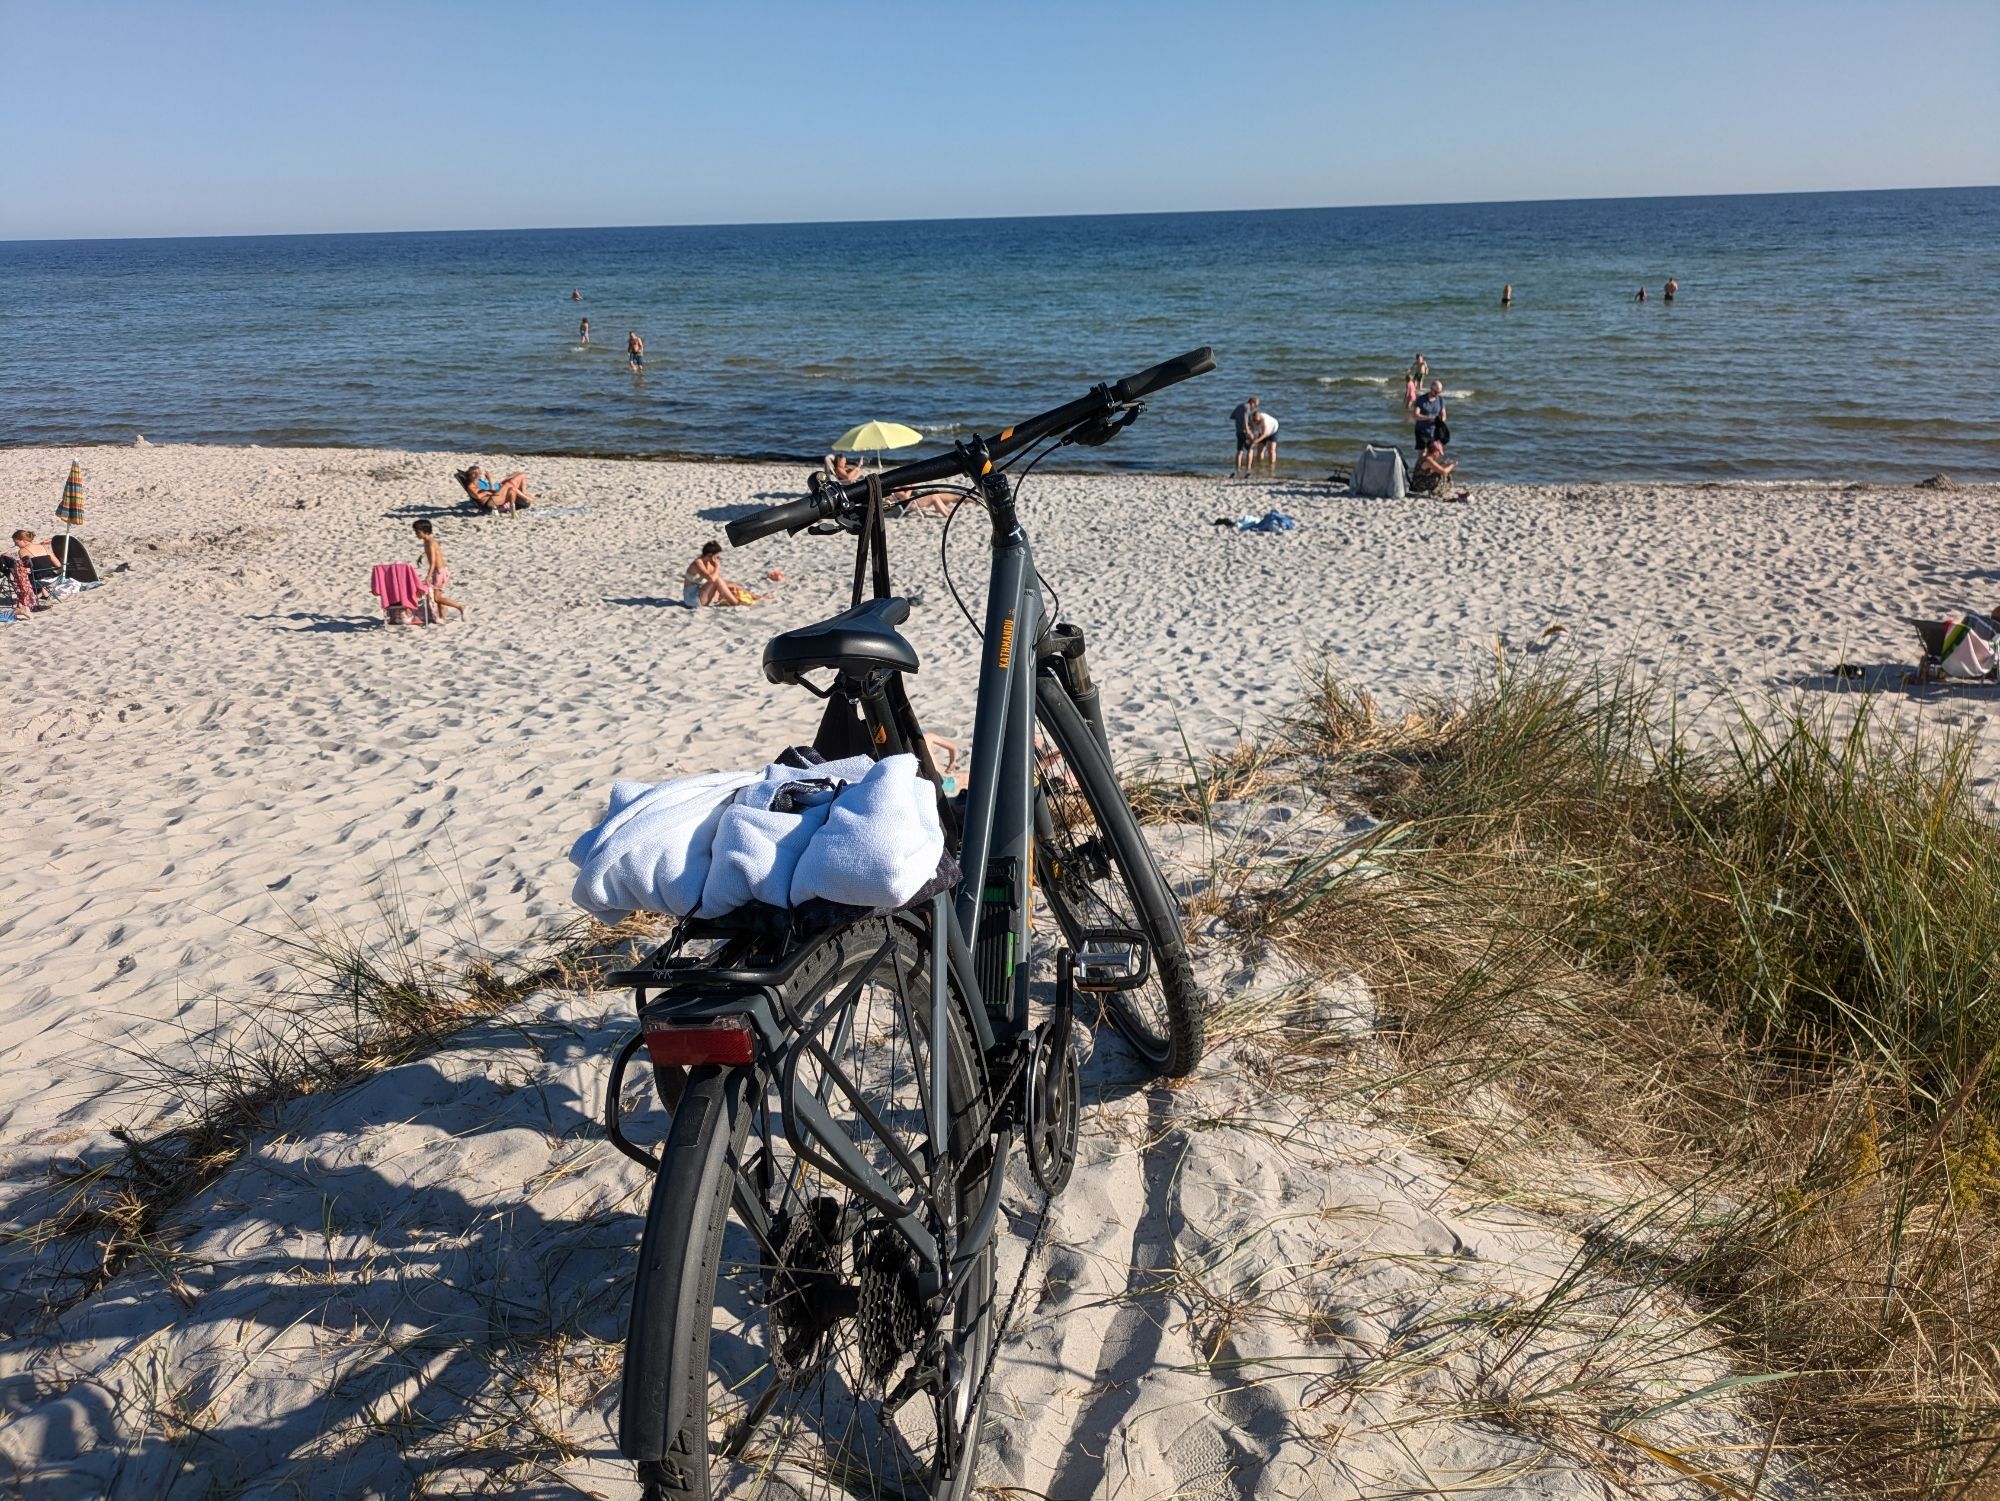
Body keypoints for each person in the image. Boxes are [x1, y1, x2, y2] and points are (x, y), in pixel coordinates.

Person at [412, 519, 465, 621]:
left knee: (437, 598)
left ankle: (460, 607)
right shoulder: (426, 541)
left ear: (425, 531)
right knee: (438, 596)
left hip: (440, 572)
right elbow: (433, 552)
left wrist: (428, 577)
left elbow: (433, 562)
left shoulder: (431, 543)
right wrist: (422, 555)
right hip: (438, 572)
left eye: (418, 532)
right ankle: (442, 618)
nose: (416, 534)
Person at [684, 540, 753, 607]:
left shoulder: (708, 562)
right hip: (693, 599)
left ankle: (753, 596)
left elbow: (717, 581)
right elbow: (712, 579)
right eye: (717, 556)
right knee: (718, 579)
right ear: (710, 555)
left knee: (732, 585)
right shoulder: (698, 563)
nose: (718, 558)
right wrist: (717, 566)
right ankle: (735, 602)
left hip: (701, 592)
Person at [454, 465, 534, 513]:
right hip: (490, 502)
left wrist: (488, 491)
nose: (481, 474)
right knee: (508, 485)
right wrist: (489, 486)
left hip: (493, 496)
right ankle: (526, 499)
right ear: (474, 475)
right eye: (479, 473)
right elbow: (478, 496)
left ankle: (519, 504)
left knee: (514, 483)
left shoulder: (477, 482)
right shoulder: (471, 486)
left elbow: (489, 491)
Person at [1412, 379, 1448, 453]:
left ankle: (1426, 464)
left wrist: (1441, 421)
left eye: (1439, 392)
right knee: (1423, 453)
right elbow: (1415, 415)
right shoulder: (1421, 399)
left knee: (1433, 453)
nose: (1437, 394)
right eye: (1436, 392)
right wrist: (1429, 417)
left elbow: (1443, 413)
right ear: (1431, 389)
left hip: (1434, 431)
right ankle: (1419, 464)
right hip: (1422, 430)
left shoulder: (1440, 400)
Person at [1230, 396, 1260, 475]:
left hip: (1238, 431)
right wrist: (1249, 432)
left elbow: (1232, 416)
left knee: (1240, 451)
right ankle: (1248, 469)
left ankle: (1238, 469)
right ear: (1252, 402)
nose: (1255, 407)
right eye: (1255, 405)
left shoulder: (1239, 406)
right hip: (1245, 432)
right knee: (1250, 450)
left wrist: (1239, 420)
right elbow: (1245, 421)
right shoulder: (1247, 407)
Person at [1249, 406, 1280, 471]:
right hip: (1261, 431)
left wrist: (1255, 442)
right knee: (1260, 450)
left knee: (1271, 450)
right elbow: (1251, 429)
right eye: (1254, 421)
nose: (1256, 423)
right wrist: (1251, 436)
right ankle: (1260, 466)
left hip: (1272, 431)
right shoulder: (1253, 420)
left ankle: (1271, 467)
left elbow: (1264, 434)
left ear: (1260, 417)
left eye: (1257, 421)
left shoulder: (1265, 421)